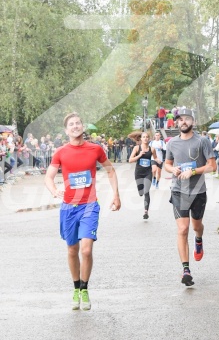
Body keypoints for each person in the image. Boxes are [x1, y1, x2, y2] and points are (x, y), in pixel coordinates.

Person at [44, 112, 121, 311]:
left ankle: (85, 288)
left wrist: (116, 195)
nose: (75, 126)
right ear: (66, 130)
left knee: (86, 249)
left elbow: (110, 170)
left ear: (82, 127)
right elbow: (49, 177)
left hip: (89, 205)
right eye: (71, 124)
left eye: (78, 123)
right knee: (72, 250)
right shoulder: (61, 152)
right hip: (69, 207)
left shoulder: (95, 149)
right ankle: (76, 287)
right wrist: (54, 191)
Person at [165, 108, 216, 286]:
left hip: (198, 191)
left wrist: (193, 171)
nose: (184, 122)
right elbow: (167, 164)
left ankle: (199, 240)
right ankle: (186, 270)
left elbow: (212, 166)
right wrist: (173, 170)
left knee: (196, 226)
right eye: (181, 119)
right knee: (182, 229)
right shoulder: (172, 143)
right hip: (179, 190)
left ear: (193, 122)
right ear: (177, 122)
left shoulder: (202, 141)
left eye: (187, 119)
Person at [129, 132, 158, 219]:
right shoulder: (137, 148)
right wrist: (140, 155)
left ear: (149, 139)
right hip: (139, 172)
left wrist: (157, 162)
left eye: (147, 137)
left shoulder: (152, 149)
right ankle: (140, 192)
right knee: (141, 192)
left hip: (148, 172)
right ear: (141, 139)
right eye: (144, 137)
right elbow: (130, 160)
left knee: (146, 191)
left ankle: (146, 211)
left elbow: (155, 158)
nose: (145, 138)